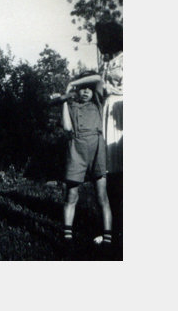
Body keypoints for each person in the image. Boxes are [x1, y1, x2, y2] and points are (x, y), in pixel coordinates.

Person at [61, 72, 112, 246]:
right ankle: (67, 238)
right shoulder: (72, 105)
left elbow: (98, 79)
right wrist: (64, 101)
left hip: (97, 150)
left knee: (101, 196)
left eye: (88, 89)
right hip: (76, 150)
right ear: (77, 92)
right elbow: (67, 127)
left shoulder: (97, 102)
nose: (85, 92)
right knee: (71, 196)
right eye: (82, 89)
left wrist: (72, 83)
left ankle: (107, 239)